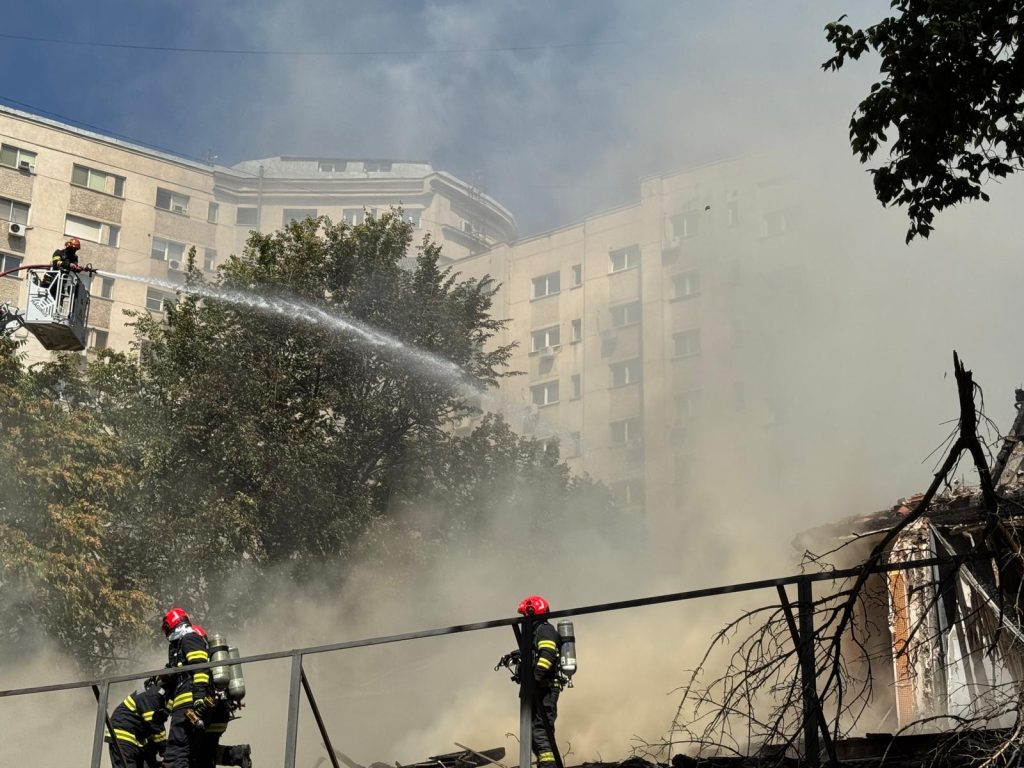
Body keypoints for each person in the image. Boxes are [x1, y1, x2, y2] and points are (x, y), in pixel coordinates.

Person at [191, 626, 252, 768]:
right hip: (220, 714)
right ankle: (238, 754)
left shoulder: (199, 659)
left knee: (201, 756)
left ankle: (238, 754)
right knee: (207, 751)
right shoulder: (212, 658)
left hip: (210, 715)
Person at [162, 608, 212, 768]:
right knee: (189, 756)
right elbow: (177, 684)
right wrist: (165, 710)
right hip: (184, 706)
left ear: (173, 624)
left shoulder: (190, 639)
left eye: (167, 628)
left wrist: (198, 698)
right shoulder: (181, 644)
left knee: (175, 754)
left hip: (188, 704)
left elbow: (200, 667)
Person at [518, 595, 562, 768]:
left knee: (541, 732)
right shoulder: (537, 632)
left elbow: (547, 655)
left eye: (525, 615)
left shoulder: (544, 629)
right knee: (533, 733)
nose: (523, 620)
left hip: (545, 690)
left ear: (532, 611)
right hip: (540, 690)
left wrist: (533, 679)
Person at [105, 677, 170, 768]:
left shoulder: (151, 693)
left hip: (135, 739)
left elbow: (151, 731)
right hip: (123, 736)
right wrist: (165, 751)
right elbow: (154, 724)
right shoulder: (153, 695)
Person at [44, 238, 82, 302]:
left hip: (61, 282)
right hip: (50, 279)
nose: (74, 250)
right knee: (46, 297)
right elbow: (56, 262)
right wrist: (68, 264)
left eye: (76, 249)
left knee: (59, 300)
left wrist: (78, 268)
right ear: (68, 246)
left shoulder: (74, 257)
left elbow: (75, 266)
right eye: (73, 248)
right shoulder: (59, 252)